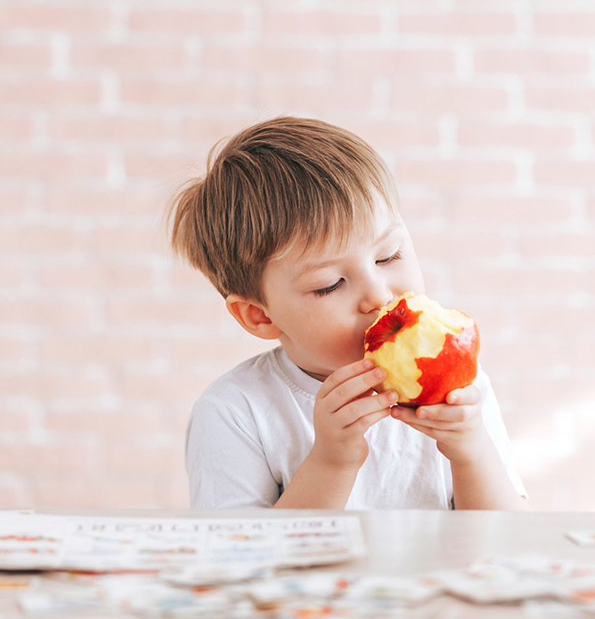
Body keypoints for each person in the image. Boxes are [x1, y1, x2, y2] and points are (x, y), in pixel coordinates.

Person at [168, 116, 528, 510]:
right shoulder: (235, 411)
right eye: (330, 284)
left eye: (388, 256)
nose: (378, 295)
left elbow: (511, 534)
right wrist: (331, 462)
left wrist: (472, 452)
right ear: (260, 316)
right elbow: (238, 546)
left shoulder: (460, 390)